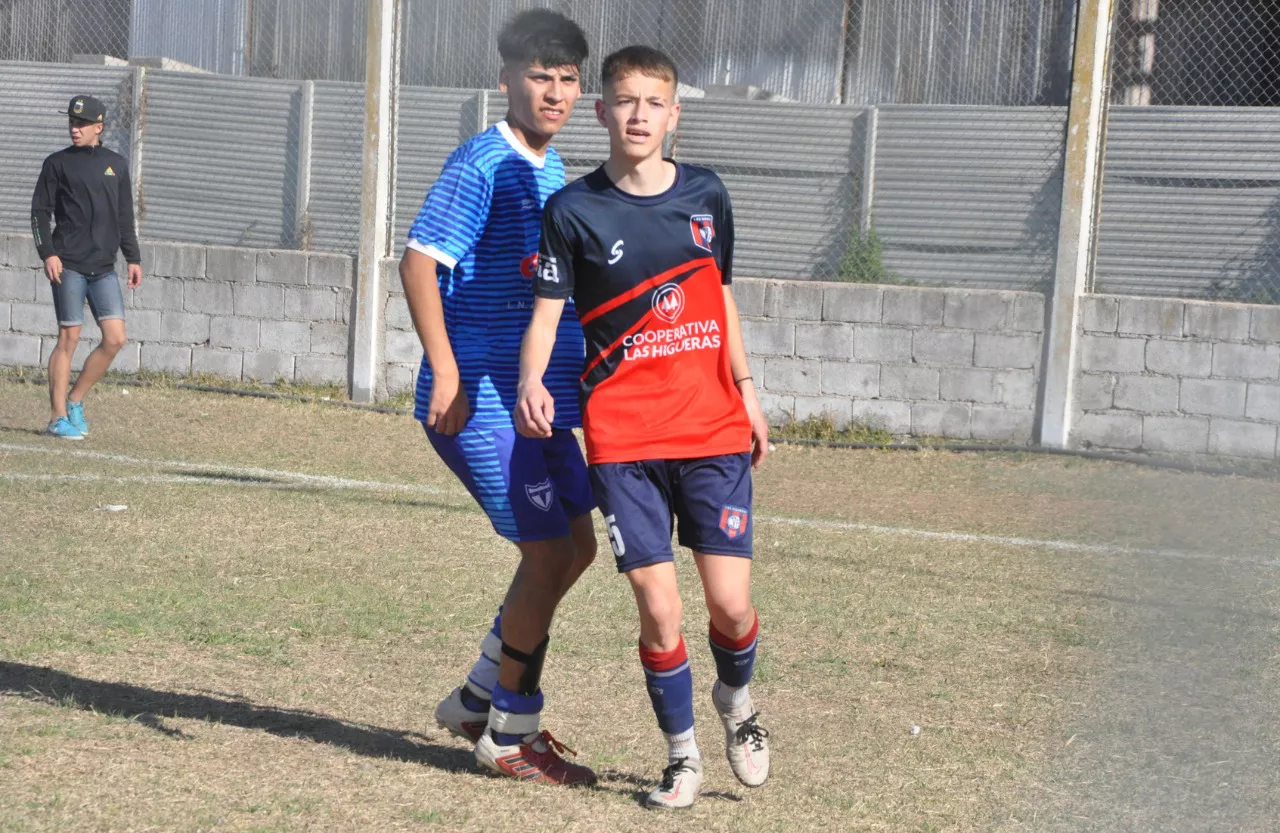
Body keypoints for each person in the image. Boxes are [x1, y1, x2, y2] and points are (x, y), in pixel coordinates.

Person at [515, 45, 772, 809]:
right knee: (659, 607)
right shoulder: (571, 211)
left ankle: (738, 703)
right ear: (602, 112)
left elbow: (719, 297)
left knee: (729, 606)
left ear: (673, 114)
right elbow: (548, 313)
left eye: (653, 102)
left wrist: (749, 391)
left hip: (714, 429)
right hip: (623, 439)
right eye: (624, 101)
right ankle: (682, 755)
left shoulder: (706, 195)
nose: (638, 115)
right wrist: (533, 377)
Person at [397, 9, 598, 786]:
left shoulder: (550, 169)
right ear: (507, 80)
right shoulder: (482, 162)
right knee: (547, 554)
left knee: (574, 550)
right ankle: (509, 730)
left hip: (537, 401)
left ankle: (480, 694)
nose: (554, 91)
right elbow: (419, 262)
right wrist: (444, 370)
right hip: (478, 399)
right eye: (539, 76)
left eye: (567, 79)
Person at [31, 94, 143, 440]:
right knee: (69, 338)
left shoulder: (116, 164)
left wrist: (133, 257)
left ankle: (75, 400)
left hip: (104, 268)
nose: (74, 128)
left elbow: (125, 215)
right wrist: (48, 253)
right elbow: (39, 213)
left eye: (81, 124)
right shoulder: (57, 163)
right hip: (69, 266)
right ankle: (57, 417)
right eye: (71, 122)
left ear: (99, 127)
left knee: (115, 339)